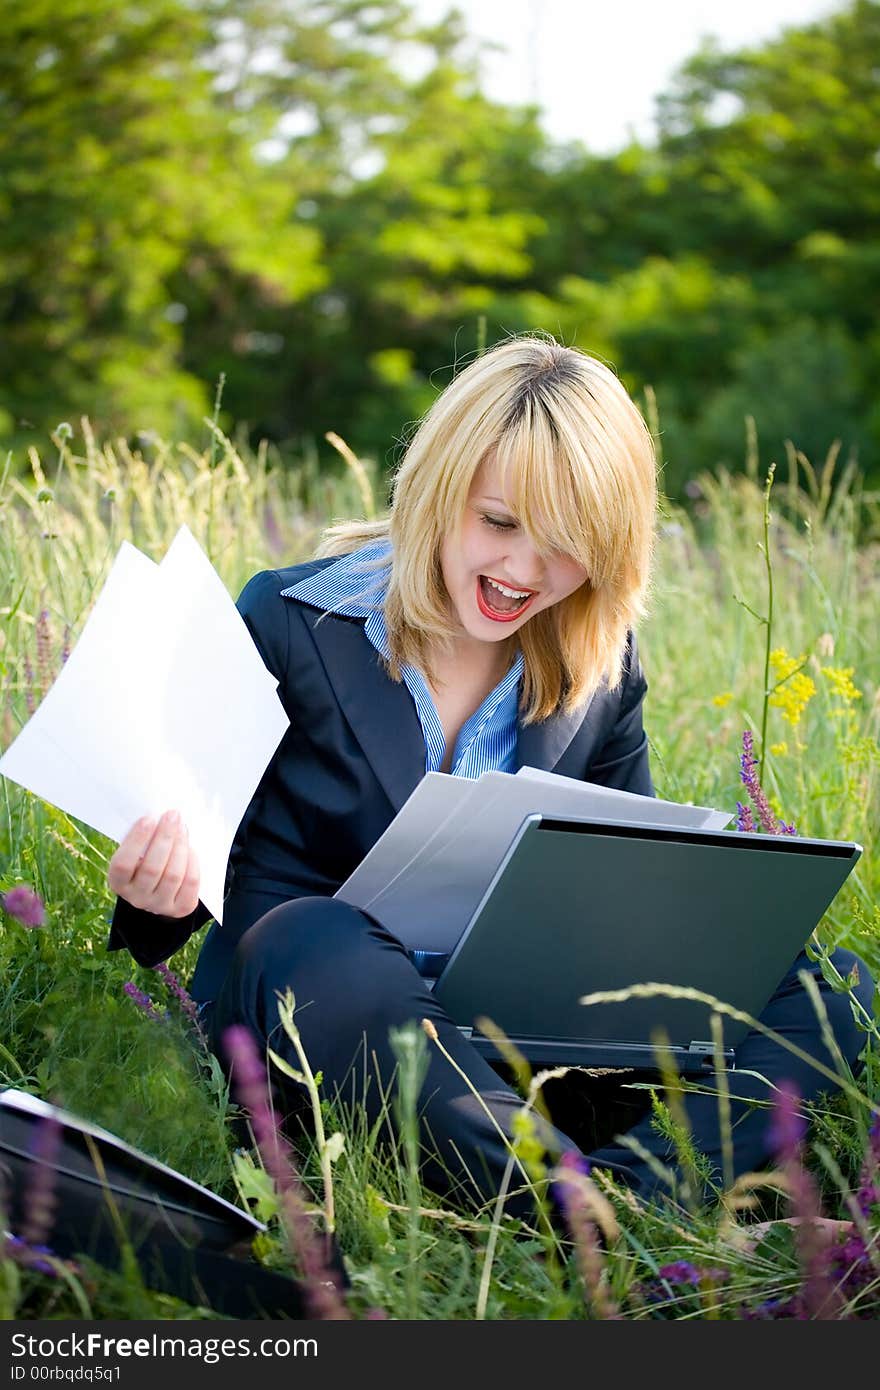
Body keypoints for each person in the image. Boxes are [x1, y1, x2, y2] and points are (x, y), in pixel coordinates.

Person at [107, 336, 872, 1220]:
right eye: (499, 524)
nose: (521, 573)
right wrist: (156, 893)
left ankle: (632, 1201)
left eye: (566, 546)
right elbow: (175, 903)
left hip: (524, 1043)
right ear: (440, 490)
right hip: (325, 1026)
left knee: (831, 984)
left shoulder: (602, 666)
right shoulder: (286, 620)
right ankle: (587, 1211)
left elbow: (629, 887)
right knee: (310, 937)